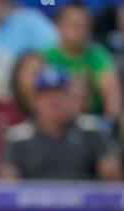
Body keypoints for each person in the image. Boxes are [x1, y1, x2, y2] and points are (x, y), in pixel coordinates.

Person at [0, 67, 122, 181]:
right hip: (33, 205)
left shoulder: (92, 132)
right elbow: (7, 190)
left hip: (86, 205)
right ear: (34, 101)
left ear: (71, 98)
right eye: (46, 95)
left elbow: (113, 185)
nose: (53, 101)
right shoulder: (18, 139)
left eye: (60, 93)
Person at [42, 2, 122, 135]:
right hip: (52, 124)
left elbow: (112, 96)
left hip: (91, 121)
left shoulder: (97, 55)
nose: (81, 31)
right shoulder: (45, 56)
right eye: (75, 25)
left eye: (86, 26)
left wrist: (107, 124)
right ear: (59, 26)